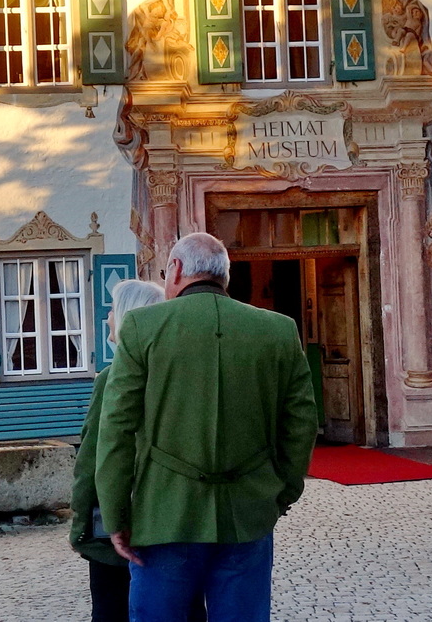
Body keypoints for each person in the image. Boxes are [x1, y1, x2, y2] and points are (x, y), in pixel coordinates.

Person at [96, 231, 318, 622]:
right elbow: (301, 423)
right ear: (223, 276)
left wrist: (115, 516)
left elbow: (116, 430)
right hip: (247, 514)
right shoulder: (279, 330)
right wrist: (280, 493)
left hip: (164, 515)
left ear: (176, 268)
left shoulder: (142, 327)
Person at [73, 278, 208, 622]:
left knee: (112, 609)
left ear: (126, 315)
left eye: (111, 309)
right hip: (176, 516)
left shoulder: (112, 377)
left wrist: (83, 524)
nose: (106, 317)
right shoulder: (180, 376)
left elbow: (95, 456)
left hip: (124, 519)